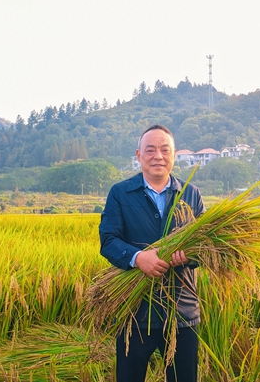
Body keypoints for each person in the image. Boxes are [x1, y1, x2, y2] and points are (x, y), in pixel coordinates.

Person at [99, 124, 205, 382]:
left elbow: (206, 245)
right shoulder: (120, 193)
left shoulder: (190, 193)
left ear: (174, 155)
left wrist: (189, 256)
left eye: (165, 150)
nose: (158, 156)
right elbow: (109, 241)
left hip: (181, 312)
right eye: (150, 150)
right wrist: (138, 258)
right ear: (139, 155)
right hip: (135, 312)